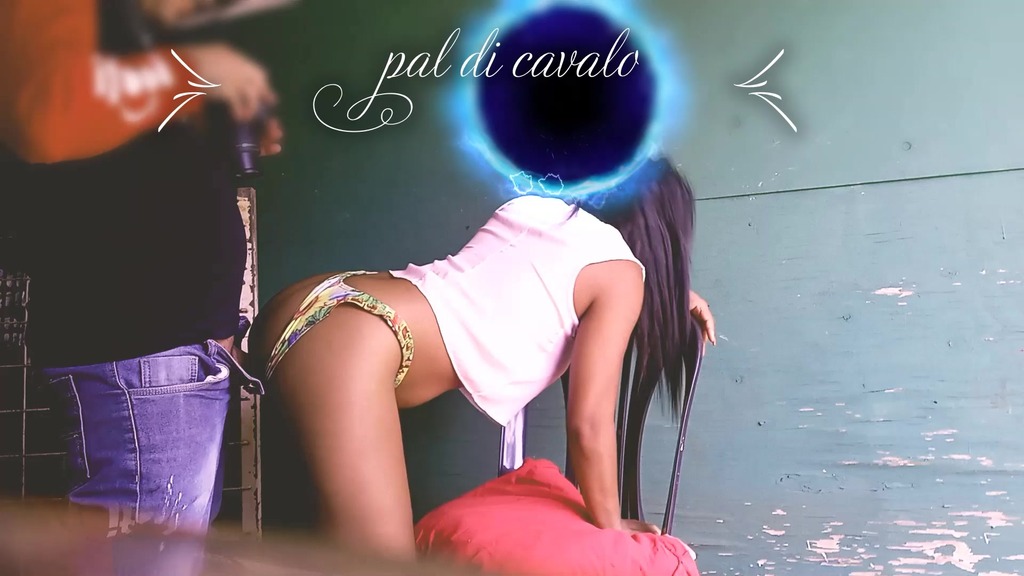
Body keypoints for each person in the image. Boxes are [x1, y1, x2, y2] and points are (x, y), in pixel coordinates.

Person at [248, 156, 717, 561]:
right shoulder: (622, 277)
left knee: (324, 548)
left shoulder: (534, 210)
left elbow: (549, 277)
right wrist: (612, 523)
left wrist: (664, 293)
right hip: (358, 338)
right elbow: (589, 425)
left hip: (316, 301)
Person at [0, 0, 283, 569]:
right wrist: (191, 69)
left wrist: (211, 110)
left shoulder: (133, 34)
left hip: (169, 350)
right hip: (138, 346)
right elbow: (47, 122)